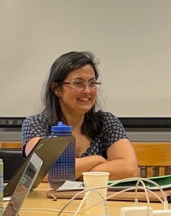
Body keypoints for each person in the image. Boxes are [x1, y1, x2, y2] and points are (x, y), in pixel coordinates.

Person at [21, 51, 139, 181]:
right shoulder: (36, 124)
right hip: (52, 200)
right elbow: (44, 171)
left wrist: (68, 173)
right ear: (56, 88)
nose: (87, 91)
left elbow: (129, 169)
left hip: (97, 199)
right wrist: (97, 159)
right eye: (78, 83)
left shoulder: (106, 122)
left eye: (92, 83)